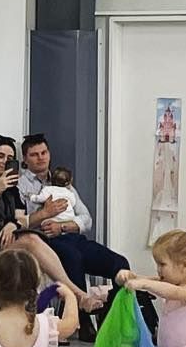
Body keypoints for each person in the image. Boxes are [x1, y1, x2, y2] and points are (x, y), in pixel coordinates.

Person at [0, 137, 99, 306]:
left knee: (42, 245)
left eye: (10, 158)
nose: (5, 161)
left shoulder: (12, 188)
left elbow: (22, 220)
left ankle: (64, 303)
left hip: (4, 244)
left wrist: (14, 224)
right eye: (0, 156)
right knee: (32, 241)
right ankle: (77, 295)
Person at [17, 134, 131, 323]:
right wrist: (45, 214)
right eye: (34, 154)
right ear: (25, 159)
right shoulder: (21, 186)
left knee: (120, 263)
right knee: (73, 258)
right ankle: (82, 320)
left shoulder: (62, 181)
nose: (41, 158)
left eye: (44, 152)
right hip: (45, 241)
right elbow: (22, 223)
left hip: (70, 236)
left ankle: (112, 319)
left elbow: (86, 218)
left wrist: (62, 226)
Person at [29, 165, 85, 231]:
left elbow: (40, 198)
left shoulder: (48, 189)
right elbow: (73, 203)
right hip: (68, 219)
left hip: (51, 221)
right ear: (68, 183)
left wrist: (32, 197)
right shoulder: (69, 192)